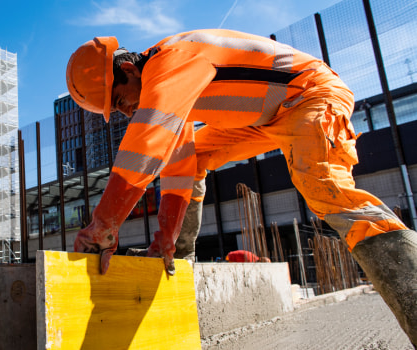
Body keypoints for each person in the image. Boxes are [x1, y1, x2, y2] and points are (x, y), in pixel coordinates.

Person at [67, 30, 416, 345]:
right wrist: (165, 238)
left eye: (119, 101)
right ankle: (176, 255)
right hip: (265, 116)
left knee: (323, 185)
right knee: (196, 154)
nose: (126, 112)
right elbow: (179, 162)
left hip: (309, 94)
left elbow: (147, 138)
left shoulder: (173, 58)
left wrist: (104, 222)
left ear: (128, 71)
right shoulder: (171, 90)